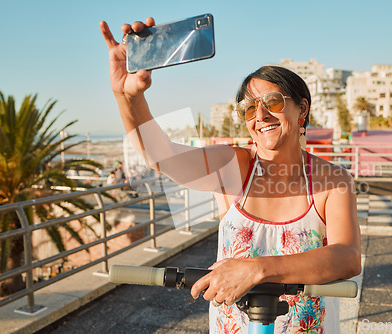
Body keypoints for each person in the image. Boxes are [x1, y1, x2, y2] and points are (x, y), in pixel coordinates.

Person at [100, 17, 360, 333]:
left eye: (273, 102)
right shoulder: (232, 166)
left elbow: (347, 257)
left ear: (302, 109)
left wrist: (258, 270)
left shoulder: (332, 181)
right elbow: (160, 155)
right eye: (248, 109)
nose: (260, 115)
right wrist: (128, 96)